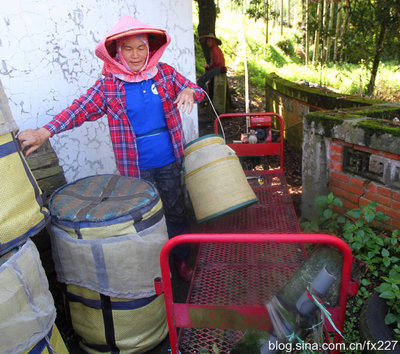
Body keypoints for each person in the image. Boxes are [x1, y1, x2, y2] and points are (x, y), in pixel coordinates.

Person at [17, 15, 204, 282]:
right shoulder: (109, 85)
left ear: (149, 49)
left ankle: (182, 260)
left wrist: (188, 91)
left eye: (141, 48)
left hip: (169, 160)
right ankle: (155, 272)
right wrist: (44, 132)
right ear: (117, 52)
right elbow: (78, 110)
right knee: (143, 218)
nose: (135, 55)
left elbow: (195, 90)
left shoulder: (164, 73)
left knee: (175, 209)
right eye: (128, 48)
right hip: (136, 167)